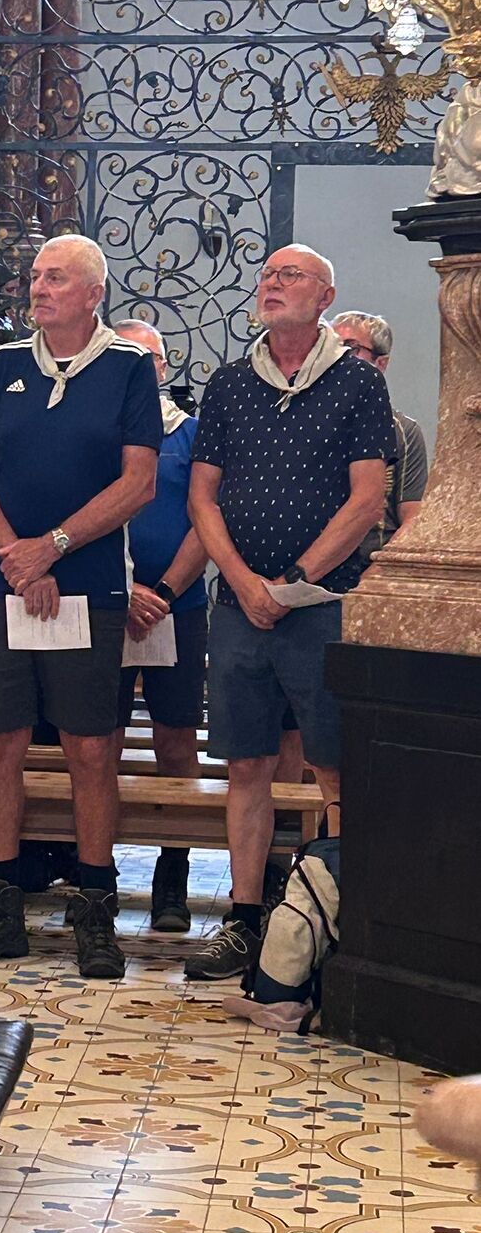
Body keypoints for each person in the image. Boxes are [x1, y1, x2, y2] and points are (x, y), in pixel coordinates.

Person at [0, 234, 162, 979]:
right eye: (35, 276)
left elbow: (138, 482)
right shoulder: (3, 365)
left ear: (93, 294)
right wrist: (18, 554)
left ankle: (94, 912)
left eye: (56, 278)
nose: (38, 288)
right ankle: (0, 908)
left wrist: (55, 546)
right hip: (4, 581)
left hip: (91, 585)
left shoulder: (127, 368)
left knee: (90, 750)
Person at [185, 244, 394, 980]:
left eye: (290, 275)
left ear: (325, 296)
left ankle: (339, 923)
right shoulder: (230, 382)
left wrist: (293, 580)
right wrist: (244, 582)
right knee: (246, 763)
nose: (272, 284)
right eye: (267, 275)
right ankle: (243, 920)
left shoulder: (356, 383)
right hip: (240, 607)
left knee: (333, 766)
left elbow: (366, 500)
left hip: (321, 606)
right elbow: (202, 496)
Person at [111, 319, 209, 933]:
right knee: (98, 741)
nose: (139, 368)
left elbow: (207, 519)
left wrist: (164, 592)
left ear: (165, 369)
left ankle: (173, 870)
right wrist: (122, 591)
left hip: (178, 605)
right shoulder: (99, 433)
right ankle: (95, 871)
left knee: (175, 741)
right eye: (126, 356)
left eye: (148, 359)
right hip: (105, 604)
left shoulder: (191, 433)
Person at [330, 310, 429, 565]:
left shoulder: (404, 431)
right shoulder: (305, 420)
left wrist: (377, 573)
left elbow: (413, 518)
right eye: (329, 347)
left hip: (370, 566)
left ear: (381, 363)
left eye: (350, 348)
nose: (336, 357)